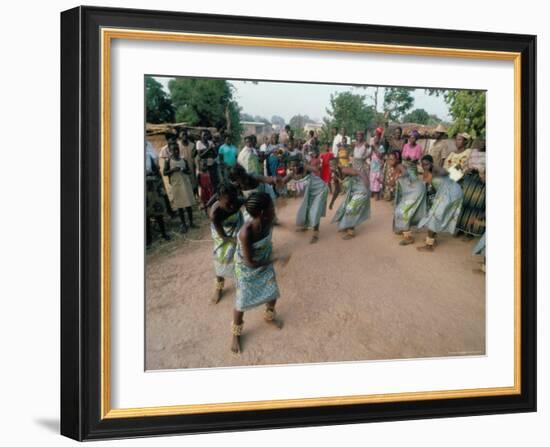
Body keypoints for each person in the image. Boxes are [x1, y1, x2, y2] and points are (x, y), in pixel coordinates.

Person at [231, 192, 289, 353]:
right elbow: (249, 262)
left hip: (263, 260)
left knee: (272, 292)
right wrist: (276, 259)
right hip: (246, 268)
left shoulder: (268, 219)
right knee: (242, 301)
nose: (274, 209)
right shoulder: (246, 232)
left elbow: (275, 223)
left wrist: (286, 224)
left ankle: (269, 316)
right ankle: (236, 334)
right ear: (263, 212)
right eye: (272, 207)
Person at [210, 183, 245, 303]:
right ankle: (219, 287)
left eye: (234, 201)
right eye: (228, 203)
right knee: (221, 257)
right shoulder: (215, 214)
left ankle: (242, 280)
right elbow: (224, 237)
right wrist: (236, 240)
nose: (232, 206)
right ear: (219, 200)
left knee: (242, 254)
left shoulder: (238, 201)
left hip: (237, 223)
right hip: (222, 234)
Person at [416, 166, 464, 252]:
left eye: (426, 177)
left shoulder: (436, 180)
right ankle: (432, 239)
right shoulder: (440, 178)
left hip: (450, 195)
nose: (425, 180)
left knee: (433, 218)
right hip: (456, 193)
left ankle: (429, 246)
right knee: (437, 216)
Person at [163, 139, 197, 232]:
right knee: (180, 206)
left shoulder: (183, 160)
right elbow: (165, 173)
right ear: (170, 151)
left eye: (177, 149)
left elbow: (189, 171)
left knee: (188, 204)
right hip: (176, 185)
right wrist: (173, 170)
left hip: (185, 184)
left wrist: (183, 169)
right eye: (174, 150)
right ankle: (183, 224)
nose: (176, 151)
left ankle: (191, 222)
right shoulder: (168, 161)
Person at [293, 159, 329, 244]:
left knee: (315, 211)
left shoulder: (306, 169)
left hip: (321, 190)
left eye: (294, 165)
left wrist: (306, 165)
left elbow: (316, 170)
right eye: (292, 166)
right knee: (307, 209)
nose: (293, 167)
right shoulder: (295, 173)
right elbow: (299, 186)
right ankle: (306, 226)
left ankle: (315, 233)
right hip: (312, 192)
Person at [393, 157, 427, 245]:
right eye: (388, 158)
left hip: (415, 190)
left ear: (397, 159)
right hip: (411, 190)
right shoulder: (398, 167)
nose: (389, 161)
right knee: (403, 210)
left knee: (402, 211)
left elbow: (405, 173)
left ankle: (408, 238)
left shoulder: (399, 165)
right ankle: (404, 229)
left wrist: (401, 175)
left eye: (391, 158)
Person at [330, 166, 371, 240]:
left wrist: (366, 181)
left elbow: (359, 172)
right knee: (344, 207)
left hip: (361, 191)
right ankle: (346, 226)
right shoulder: (335, 176)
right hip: (353, 192)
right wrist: (332, 202)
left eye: (332, 164)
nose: (331, 166)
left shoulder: (344, 170)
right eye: (329, 165)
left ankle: (351, 232)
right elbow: (337, 190)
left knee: (351, 209)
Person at [456, 139, 486, 239]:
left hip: (480, 184)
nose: (482, 143)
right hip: (469, 181)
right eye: (481, 141)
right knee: (464, 204)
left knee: (475, 207)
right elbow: (465, 164)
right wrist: (467, 169)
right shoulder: (472, 152)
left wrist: (479, 171)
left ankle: (470, 232)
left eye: (484, 142)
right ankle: (460, 228)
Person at [145, 141, 171, 246]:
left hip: (153, 184)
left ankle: (164, 233)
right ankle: (148, 239)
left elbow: (156, 170)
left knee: (158, 210)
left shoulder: (149, 155)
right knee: (145, 214)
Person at [178, 128, 198, 197]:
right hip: (182, 168)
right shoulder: (177, 145)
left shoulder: (192, 145)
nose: (184, 136)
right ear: (179, 136)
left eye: (185, 134)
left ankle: (195, 197)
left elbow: (195, 155)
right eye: (182, 134)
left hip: (192, 167)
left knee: (194, 183)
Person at [369, 133, 385, 200]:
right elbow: (370, 155)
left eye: (377, 139)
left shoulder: (381, 147)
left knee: (377, 180)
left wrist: (374, 149)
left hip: (378, 166)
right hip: (373, 166)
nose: (375, 140)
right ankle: (372, 192)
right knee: (372, 179)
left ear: (379, 140)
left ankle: (377, 194)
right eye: (374, 139)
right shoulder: (372, 147)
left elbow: (380, 156)